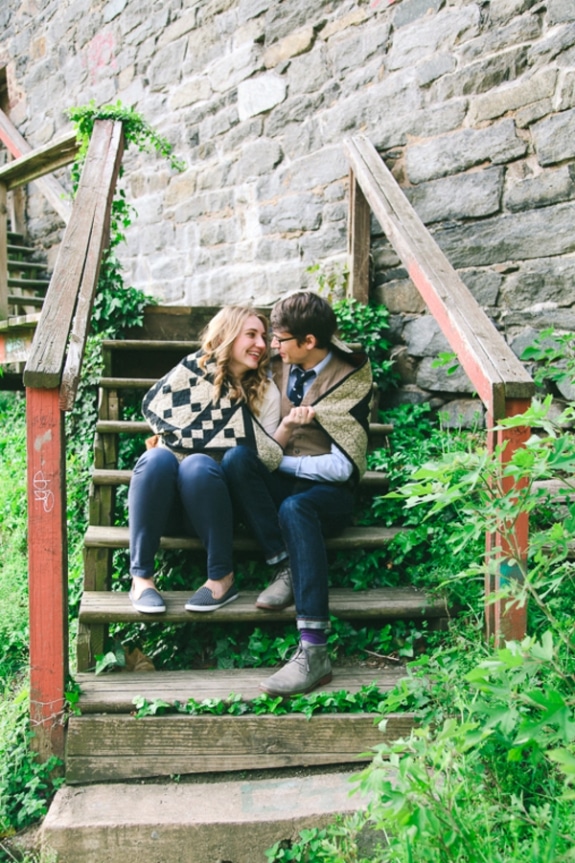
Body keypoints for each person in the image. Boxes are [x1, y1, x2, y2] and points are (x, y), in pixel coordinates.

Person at [222, 290, 372, 696]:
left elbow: (343, 468)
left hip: (329, 491)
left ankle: (315, 652)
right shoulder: (276, 367)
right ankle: (285, 563)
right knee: (238, 460)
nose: (272, 345)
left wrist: (278, 461)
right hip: (286, 475)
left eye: (280, 338)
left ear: (308, 342)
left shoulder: (350, 377)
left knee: (296, 507)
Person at [128, 305, 282, 614]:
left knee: (198, 465)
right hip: (168, 504)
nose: (262, 345)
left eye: (264, 337)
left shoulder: (266, 392)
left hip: (216, 505)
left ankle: (221, 578)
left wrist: (232, 423)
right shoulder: (190, 375)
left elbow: (265, 457)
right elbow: (163, 423)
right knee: (156, 459)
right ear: (226, 335)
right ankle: (141, 579)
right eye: (251, 334)